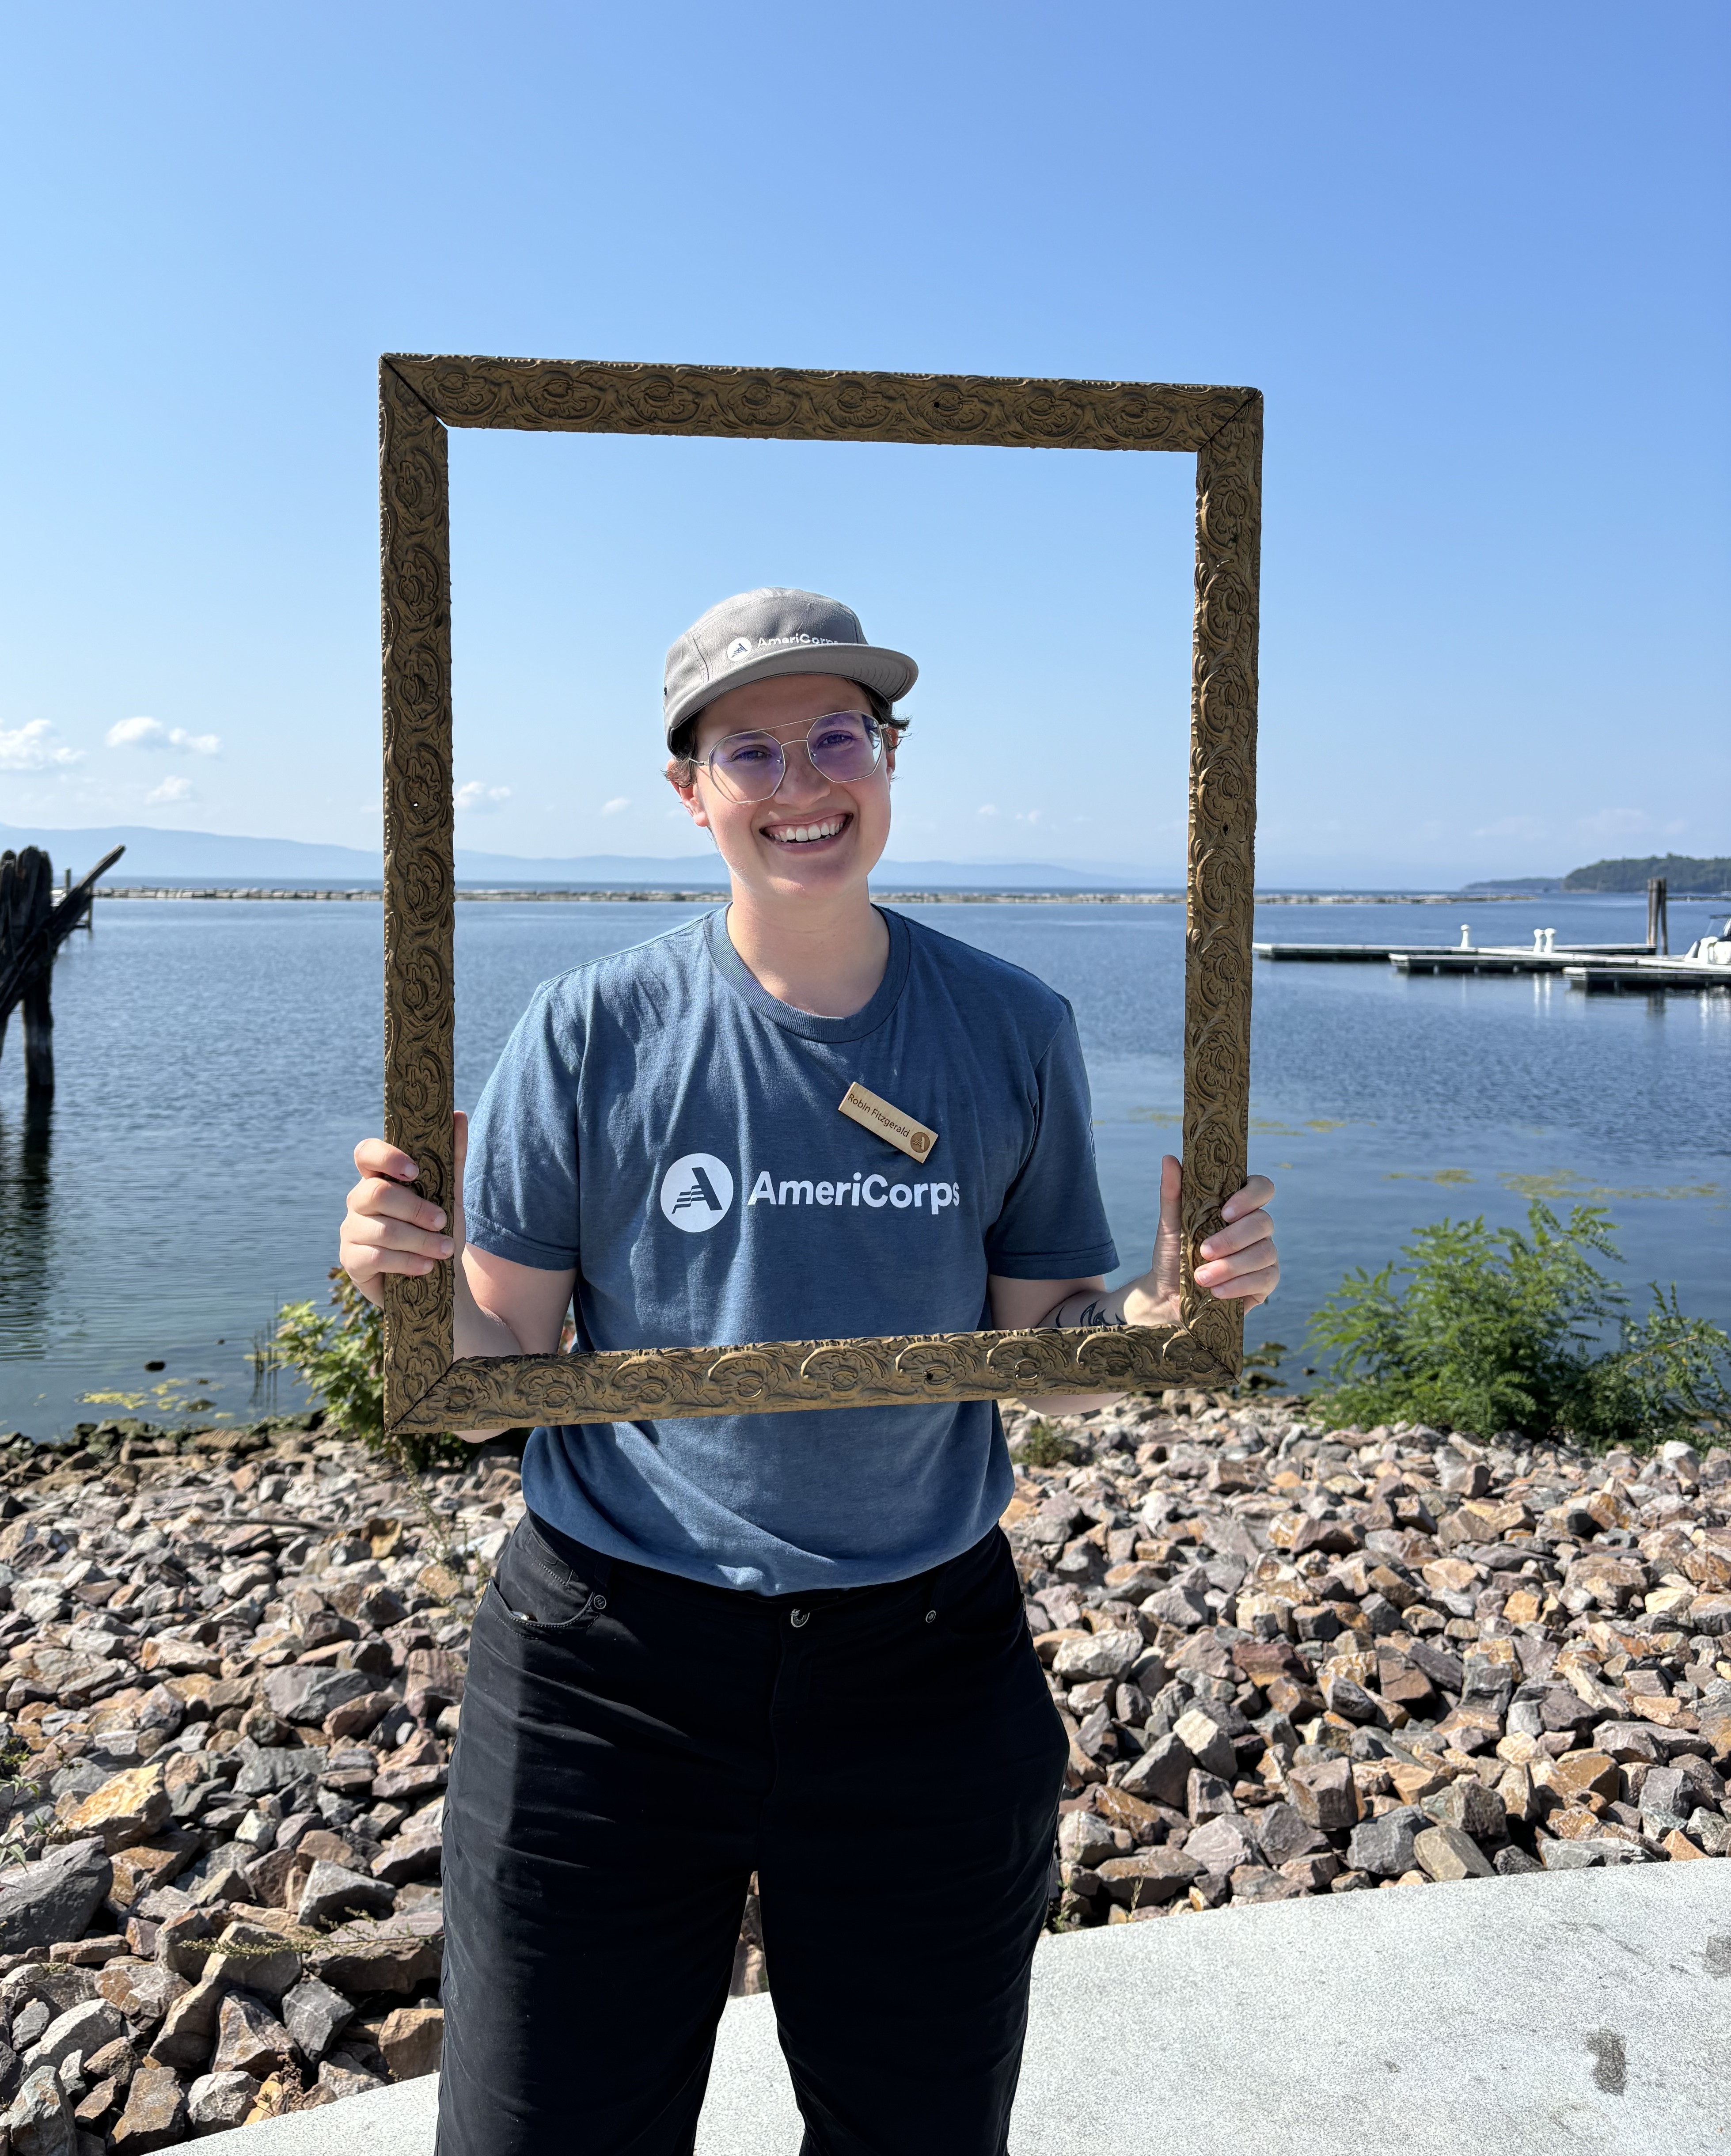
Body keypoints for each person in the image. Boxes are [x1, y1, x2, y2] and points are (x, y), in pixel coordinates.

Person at [339, 588, 1279, 2156]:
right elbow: (499, 1368)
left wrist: (1157, 1320)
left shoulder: (1011, 1026)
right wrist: (403, 1287)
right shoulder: (591, 1030)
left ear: (889, 759)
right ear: (689, 788)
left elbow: (1041, 1355)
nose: (802, 784)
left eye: (838, 735)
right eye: (751, 748)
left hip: (924, 1664)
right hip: (606, 1663)